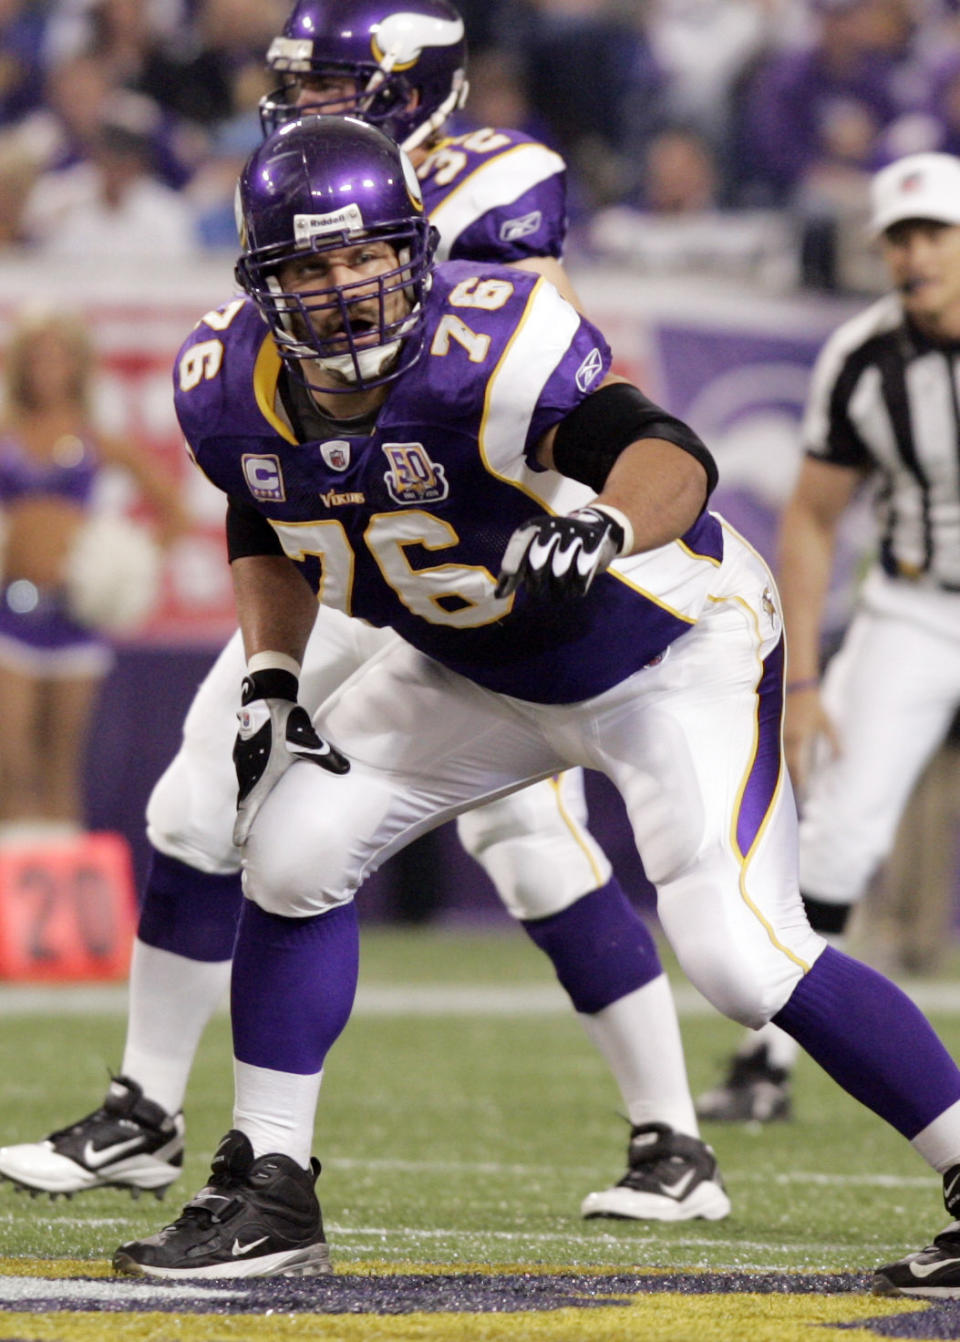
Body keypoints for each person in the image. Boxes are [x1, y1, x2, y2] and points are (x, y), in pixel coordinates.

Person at [110, 115, 960, 1294]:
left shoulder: (489, 340)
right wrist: (268, 673)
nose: (346, 288)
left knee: (738, 956)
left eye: (365, 256)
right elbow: (264, 509)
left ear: (414, 248)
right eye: (309, 266)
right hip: (473, 666)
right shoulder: (224, 386)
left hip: (665, 649)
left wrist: (605, 519)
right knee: (289, 847)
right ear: (262, 282)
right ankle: (271, 1184)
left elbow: (664, 448)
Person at [0, 0, 730, 1227]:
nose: (302, 100)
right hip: (347, 545)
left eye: (329, 77)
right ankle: (144, 1106)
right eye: (294, 77)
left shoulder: (505, 176)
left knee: (531, 843)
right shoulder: (293, 174)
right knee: (200, 791)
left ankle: (672, 1135)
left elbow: (524, 371)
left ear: (415, 83)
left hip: (479, 547)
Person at [696, 149, 960, 1129]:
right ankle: (766, 1061)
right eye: (900, 238)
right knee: (840, 832)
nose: (914, 255)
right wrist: (800, 681)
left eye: (934, 233)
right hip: (917, 607)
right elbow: (808, 518)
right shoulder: (863, 355)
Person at [0, 306, 185, 838]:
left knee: (61, 768)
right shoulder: (8, 433)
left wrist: (128, 569)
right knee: (13, 766)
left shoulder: (96, 440)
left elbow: (172, 510)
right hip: (11, 615)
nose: (48, 368)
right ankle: (15, 901)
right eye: (37, 357)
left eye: (58, 357)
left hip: (75, 619)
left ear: (77, 367)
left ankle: (57, 904)